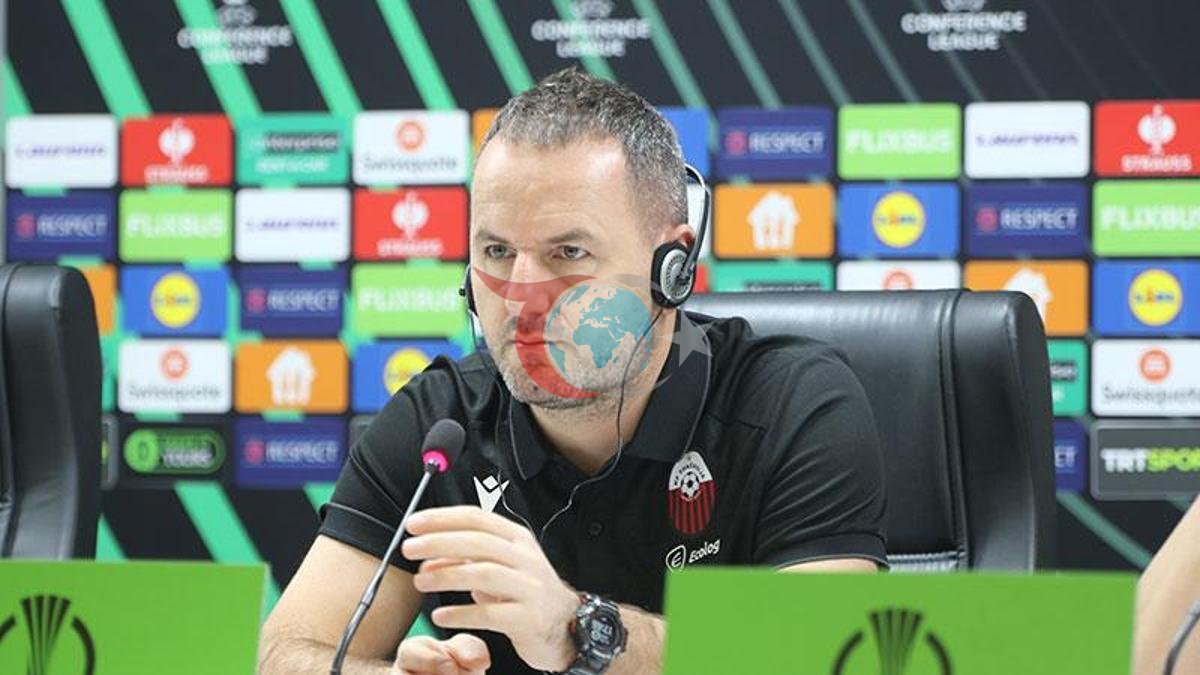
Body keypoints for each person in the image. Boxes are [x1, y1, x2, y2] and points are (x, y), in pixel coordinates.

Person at [259, 68, 887, 675]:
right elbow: (282, 655)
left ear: (672, 267)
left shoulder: (791, 405)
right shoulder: (438, 426)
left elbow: (822, 655)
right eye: (497, 251)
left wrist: (578, 629)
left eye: (568, 252)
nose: (521, 297)